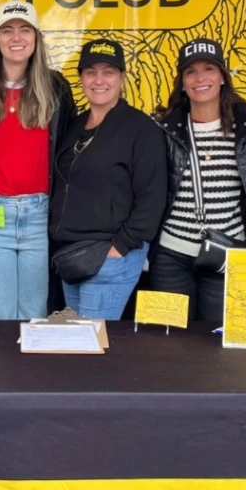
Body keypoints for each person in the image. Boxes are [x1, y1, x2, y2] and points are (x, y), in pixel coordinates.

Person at [0, 0, 76, 320]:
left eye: (25, 29)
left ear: (36, 38)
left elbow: (70, 153)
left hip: (40, 216)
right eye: (7, 30)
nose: (16, 37)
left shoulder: (56, 89)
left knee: (35, 317)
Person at [48, 39, 167, 320]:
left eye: (108, 72)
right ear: (81, 78)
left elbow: (153, 197)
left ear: (122, 77)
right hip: (72, 256)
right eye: (91, 72)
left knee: (91, 339)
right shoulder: (75, 125)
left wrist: (120, 248)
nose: (99, 80)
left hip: (110, 256)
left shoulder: (141, 129)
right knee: (79, 338)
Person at [149, 37, 246, 323]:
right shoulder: (164, 129)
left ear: (222, 76)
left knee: (217, 338)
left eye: (209, 69)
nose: (200, 78)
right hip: (171, 255)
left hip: (227, 252)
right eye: (191, 72)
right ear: (182, 82)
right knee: (168, 337)